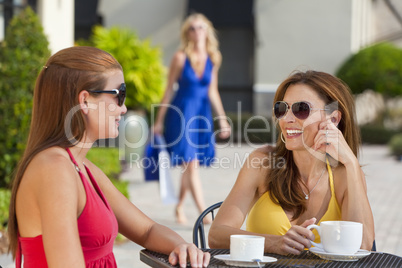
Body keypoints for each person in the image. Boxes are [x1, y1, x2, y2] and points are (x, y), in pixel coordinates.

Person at [8, 46, 210, 268]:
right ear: (85, 100)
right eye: (119, 95)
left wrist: (182, 247)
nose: (123, 109)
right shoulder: (55, 170)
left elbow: (146, 229)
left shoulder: (81, 166)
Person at [208, 70, 375, 255]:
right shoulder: (262, 163)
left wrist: (351, 162)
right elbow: (216, 235)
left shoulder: (347, 174)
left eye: (301, 109)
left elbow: (363, 246)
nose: (286, 119)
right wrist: (273, 243)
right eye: (281, 109)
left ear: (333, 119)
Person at [152, 13, 231, 224]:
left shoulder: (214, 58)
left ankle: (178, 207)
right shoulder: (180, 57)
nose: (197, 32)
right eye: (192, 28)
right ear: (187, 33)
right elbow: (168, 90)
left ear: (207, 31)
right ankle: (203, 212)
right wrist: (159, 121)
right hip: (181, 113)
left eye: (201, 27)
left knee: (190, 165)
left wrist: (222, 119)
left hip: (201, 115)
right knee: (191, 163)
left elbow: (213, 91)